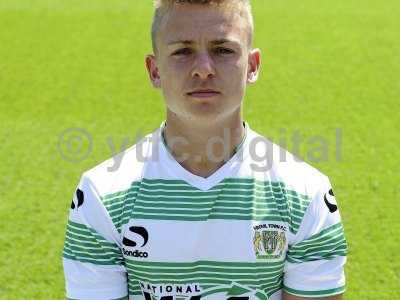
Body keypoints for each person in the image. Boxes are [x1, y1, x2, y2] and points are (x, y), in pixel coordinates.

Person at [62, 0, 348, 299]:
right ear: (154, 70)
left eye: (222, 50)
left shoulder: (306, 193)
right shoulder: (100, 194)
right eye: (182, 51)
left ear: (252, 66)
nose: (203, 70)